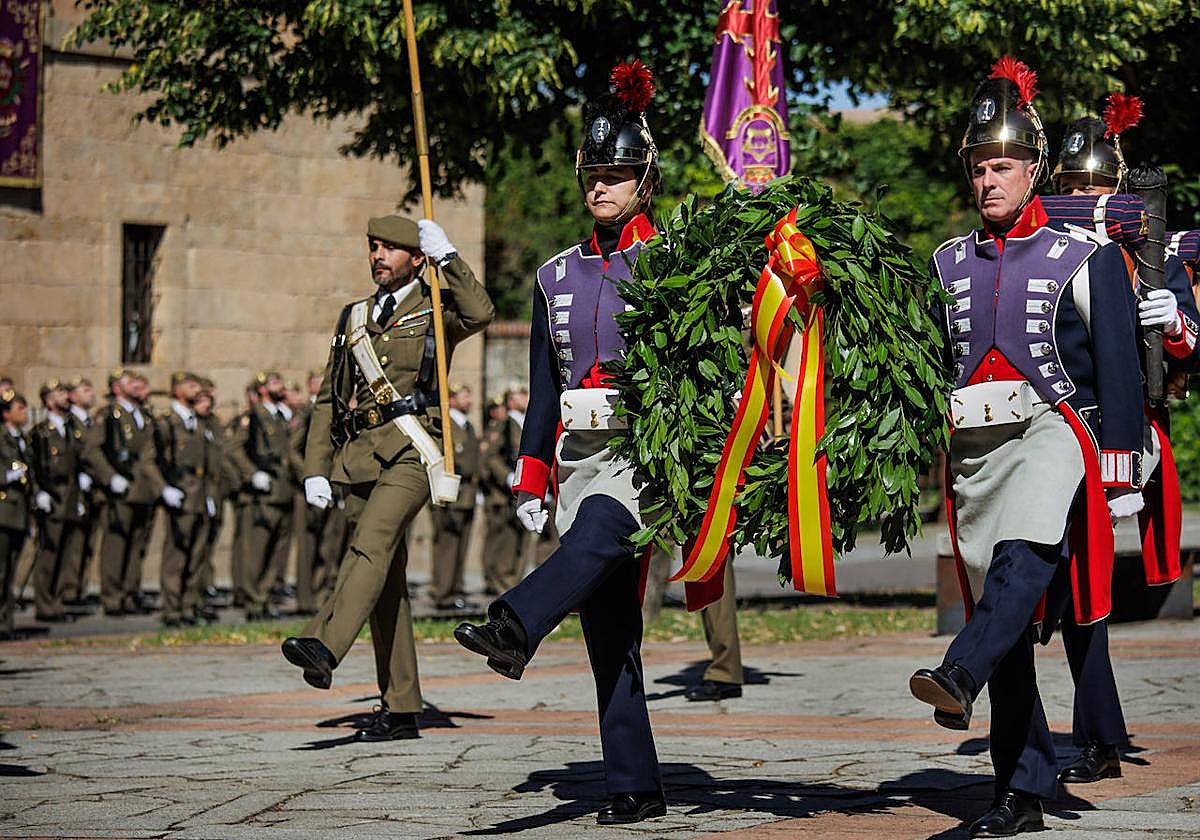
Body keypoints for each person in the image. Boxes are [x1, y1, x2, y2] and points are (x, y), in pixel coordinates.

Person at [907, 57, 1144, 837]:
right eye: (978, 166)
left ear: (1034, 168)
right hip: (974, 446)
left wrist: (1121, 466)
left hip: (1056, 431)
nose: (989, 180)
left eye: (1002, 165)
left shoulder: (1085, 255)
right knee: (1005, 618)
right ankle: (1021, 788)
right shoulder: (944, 262)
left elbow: (1117, 364)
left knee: (1024, 556)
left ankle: (956, 669)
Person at [454, 61, 666, 824]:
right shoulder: (554, 275)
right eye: (593, 175)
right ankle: (635, 784)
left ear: (646, 180)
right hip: (578, 456)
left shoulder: (674, 263)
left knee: (604, 534)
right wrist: (531, 473)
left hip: (647, 457)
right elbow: (546, 386)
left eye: (616, 175)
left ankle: (513, 622)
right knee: (610, 629)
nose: (600, 188)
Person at [280, 214, 493, 742]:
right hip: (359, 457)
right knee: (386, 583)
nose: (378, 256)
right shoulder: (352, 317)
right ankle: (400, 706)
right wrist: (317, 468)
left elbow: (482, 312)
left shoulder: (436, 308)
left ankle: (323, 644)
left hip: (414, 450)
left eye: (390, 249)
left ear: (415, 258)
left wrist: (449, 258)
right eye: (373, 247)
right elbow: (330, 397)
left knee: (370, 546)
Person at [1046, 97, 1200, 785]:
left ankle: (1097, 734)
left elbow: (1191, 349)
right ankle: (1087, 730)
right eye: (1071, 189)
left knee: (1087, 580)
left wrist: (1172, 322)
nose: (1083, 200)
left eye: (1096, 189)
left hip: (1127, 429)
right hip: (1054, 428)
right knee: (1047, 582)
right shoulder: (1046, 252)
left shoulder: (1150, 253)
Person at [83, 368, 173, 617]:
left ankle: (130, 594)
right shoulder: (109, 415)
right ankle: (112, 599)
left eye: (137, 381)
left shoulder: (143, 415)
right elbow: (92, 450)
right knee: (116, 546)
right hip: (121, 490)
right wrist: (110, 478)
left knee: (137, 546)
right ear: (115, 387)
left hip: (144, 490)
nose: (136, 385)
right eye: (129, 381)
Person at [227, 371, 300, 621]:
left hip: (283, 490)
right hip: (264, 493)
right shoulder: (254, 416)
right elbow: (234, 449)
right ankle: (254, 601)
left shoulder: (280, 417)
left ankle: (266, 596)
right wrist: (252, 474)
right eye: (274, 383)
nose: (281, 386)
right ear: (262, 390)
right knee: (257, 550)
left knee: (276, 552)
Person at [154, 372, 222, 627]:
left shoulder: (199, 422)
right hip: (180, 493)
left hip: (200, 496)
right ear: (177, 389)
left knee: (196, 556)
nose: (197, 390)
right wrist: (164, 488)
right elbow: (153, 460)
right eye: (191, 385)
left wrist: (210, 496)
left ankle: (188, 606)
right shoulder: (167, 422)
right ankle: (172, 609)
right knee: (176, 556)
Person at [29, 380, 87, 623]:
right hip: (52, 496)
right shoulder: (40, 432)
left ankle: (57, 602)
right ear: (48, 400)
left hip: (72, 495)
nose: (66, 397)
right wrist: (37, 493)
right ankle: (44, 605)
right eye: (60, 393)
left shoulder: (74, 427)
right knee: (49, 555)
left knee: (67, 554)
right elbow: (32, 466)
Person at [291, 369, 348, 615]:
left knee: (329, 544)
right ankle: (305, 599)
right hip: (311, 485)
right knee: (308, 547)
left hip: (334, 485)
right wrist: (308, 476)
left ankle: (323, 593)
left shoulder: (339, 409)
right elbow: (292, 450)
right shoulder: (307, 412)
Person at [429, 383, 481, 611]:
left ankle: (454, 589)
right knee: (447, 546)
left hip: (468, 493)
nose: (469, 400)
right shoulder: (446, 424)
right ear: (451, 399)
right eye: (465, 395)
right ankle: (442, 593)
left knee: (461, 546)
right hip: (452, 493)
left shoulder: (467, 425)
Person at [479, 385, 526, 593]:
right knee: (504, 540)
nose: (526, 397)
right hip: (504, 493)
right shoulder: (505, 425)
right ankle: (501, 583)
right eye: (521, 395)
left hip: (519, 488)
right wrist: (507, 476)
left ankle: (511, 582)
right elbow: (490, 458)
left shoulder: (519, 423)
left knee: (518, 541)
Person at [0, 389, 33, 639]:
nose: (24, 413)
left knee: (10, 571)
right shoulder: (2, 438)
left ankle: (6, 622)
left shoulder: (22, 438)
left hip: (19, 511)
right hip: (3, 511)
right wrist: (6, 476)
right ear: (6, 413)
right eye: (19, 409)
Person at [64, 376, 99, 606]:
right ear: (72, 396)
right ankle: (68, 592)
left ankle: (79, 589)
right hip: (72, 489)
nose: (91, 394)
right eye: (85, 390)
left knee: (87, 543)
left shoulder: (90, 423)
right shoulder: (69, 423)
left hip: (92, 489)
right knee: (73, 545)